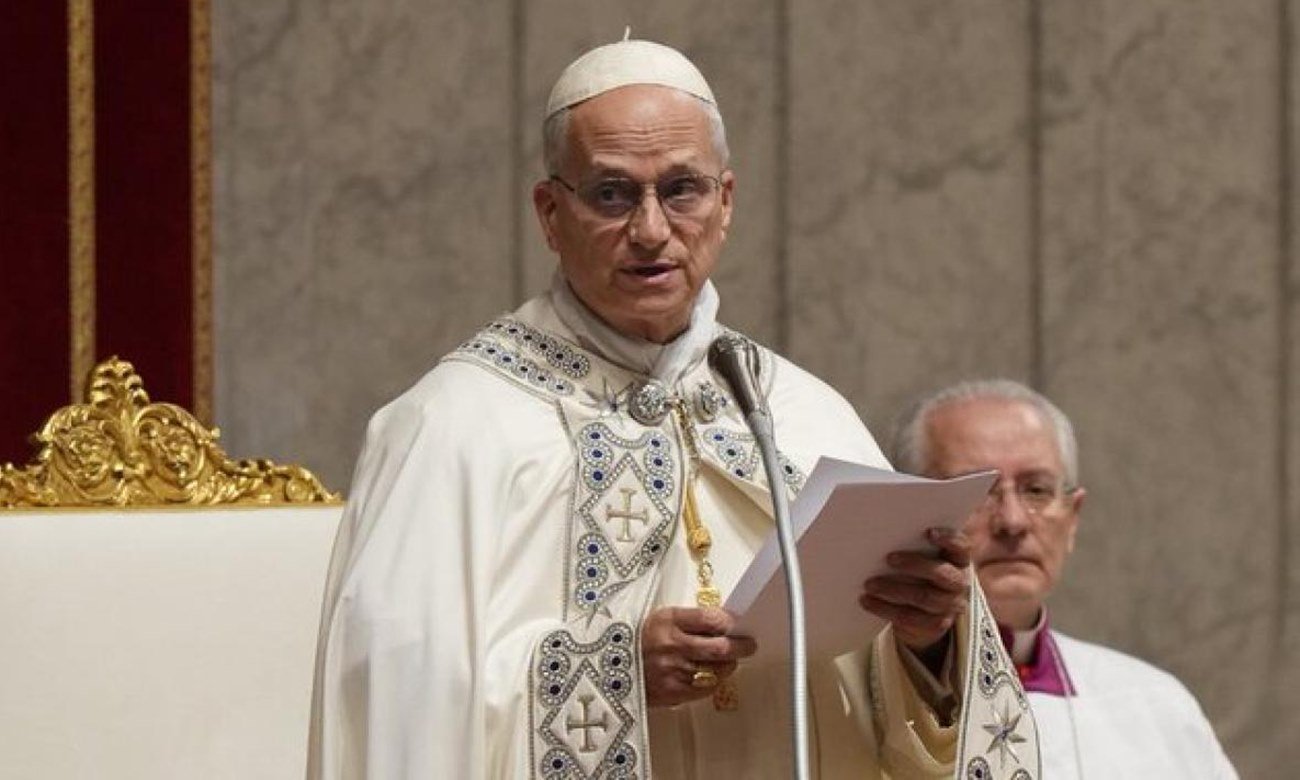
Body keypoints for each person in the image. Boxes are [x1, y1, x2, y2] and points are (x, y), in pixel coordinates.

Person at [308, 39, 1036, 779]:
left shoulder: (798, 408)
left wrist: (926, 641)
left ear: (726, 202)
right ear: (550, 213)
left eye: (680, 189)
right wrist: (611, 675)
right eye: (612, 194)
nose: (651, 230)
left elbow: (890, 696)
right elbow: (397, 710)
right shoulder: (450, 428)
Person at [891, 379, 1238, 778]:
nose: (1013, 521)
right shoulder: (844, 698)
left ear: (1072, 518)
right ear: (910, 508)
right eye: (979, 490)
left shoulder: (1155, 705)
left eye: (1036, 489)